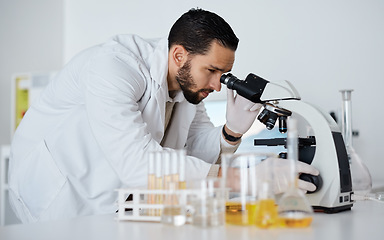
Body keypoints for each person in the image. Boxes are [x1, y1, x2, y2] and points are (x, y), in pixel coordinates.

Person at [8, 8, 319, 223]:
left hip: (109, 201)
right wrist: (245, 178)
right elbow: (138, 163)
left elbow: (195, 147)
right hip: (55, 192)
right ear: (179, 55)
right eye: (212, 71)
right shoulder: (113, 68)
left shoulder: (187, 88)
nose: (217, 85)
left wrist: (231, 132)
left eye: (224, 75)